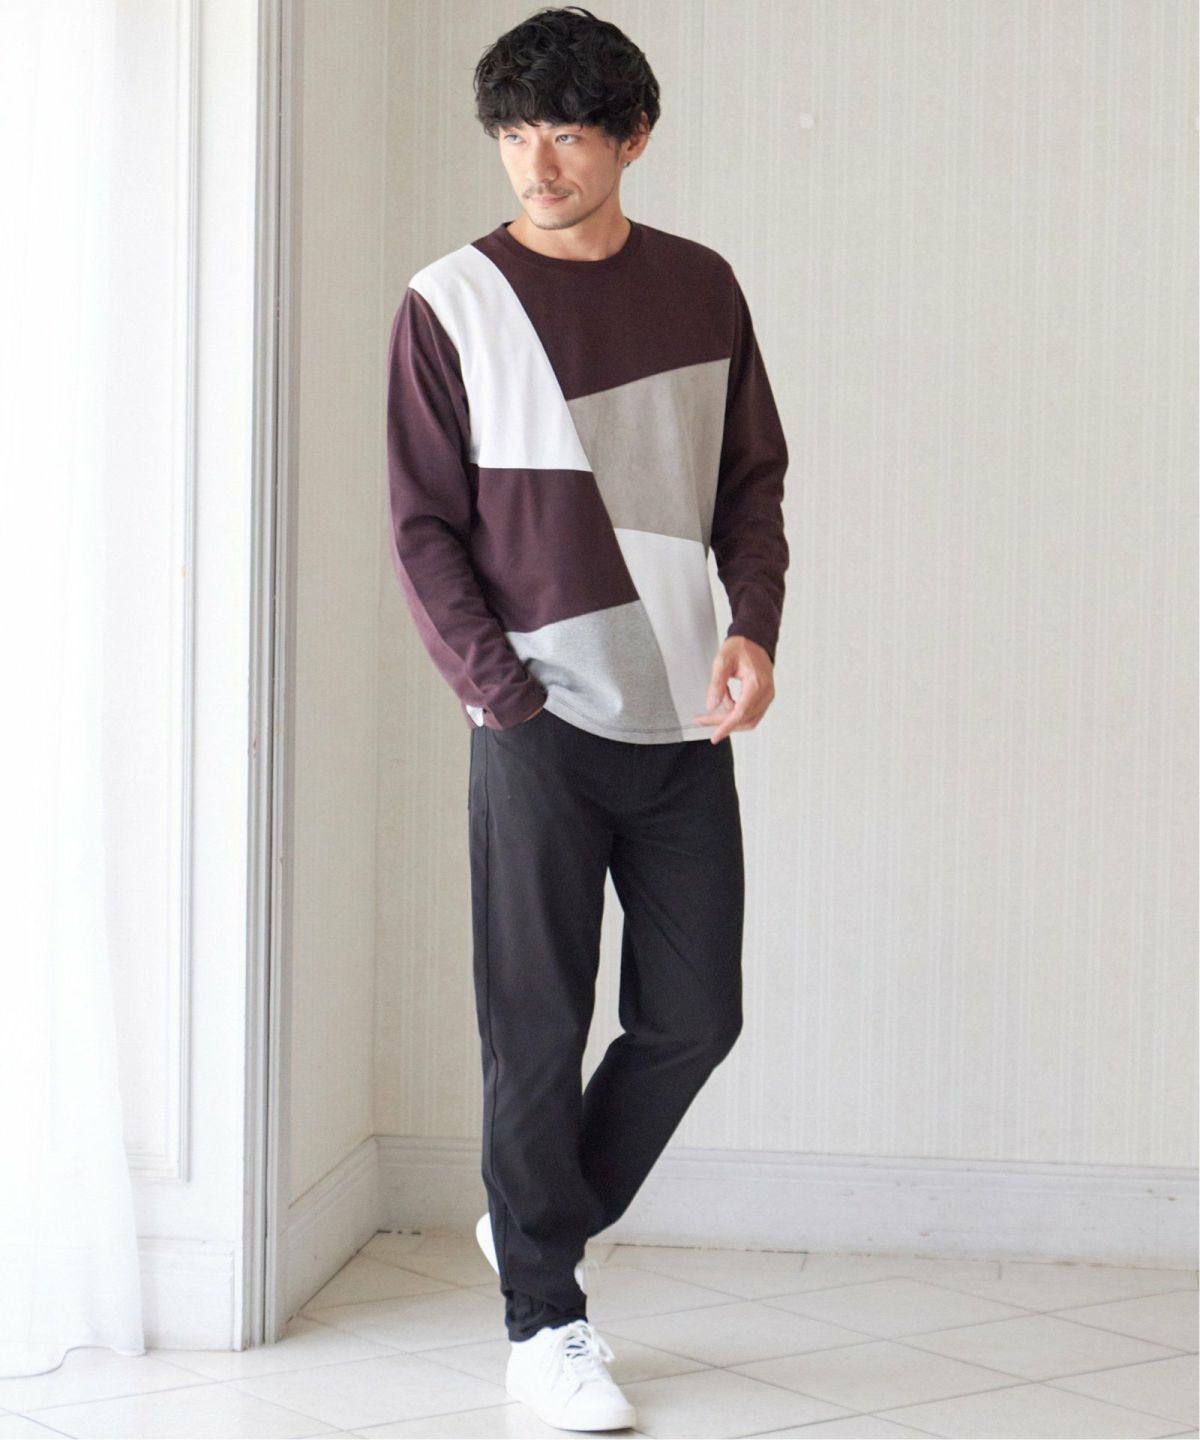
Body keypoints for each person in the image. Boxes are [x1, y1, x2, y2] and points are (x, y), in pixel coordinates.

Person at [385, 5, 789, 1430]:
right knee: (535, 1027)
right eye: (513, 132)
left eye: (564, 131)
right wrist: (501, 694)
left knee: (695, 1016)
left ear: (633, 137)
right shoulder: (450, 302)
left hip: (682, 718)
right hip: (536, 725)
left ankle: (534, 1218)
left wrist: (753, 627)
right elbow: (423, 528)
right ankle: (543, 1323)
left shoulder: (702, 287)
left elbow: (751, 482)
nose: (535, 162)